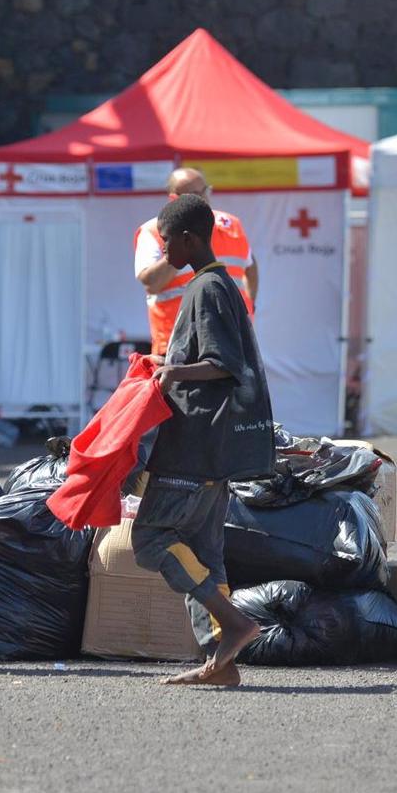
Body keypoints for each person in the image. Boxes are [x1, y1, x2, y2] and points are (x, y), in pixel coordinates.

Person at [132, 194, 274, 687]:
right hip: (213, 446)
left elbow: (224, 364)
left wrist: (172, 372)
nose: (162, 250)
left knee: (151, 540)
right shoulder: (214, 284)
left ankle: (234, 624)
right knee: (203, 553)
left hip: (194, 445)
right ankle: (221, 663)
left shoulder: (207, 288)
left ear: (188, 239)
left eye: (166, 241)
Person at [133, 168, 257, 356]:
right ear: (174, 198)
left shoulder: (230, 225)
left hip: (231, 341)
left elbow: (251, 266)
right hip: (178, 345)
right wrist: (179, 244)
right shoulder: (153, 231)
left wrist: (249, 306)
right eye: (194, 195)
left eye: (204, 191)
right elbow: (151, 283)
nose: (203, 199)